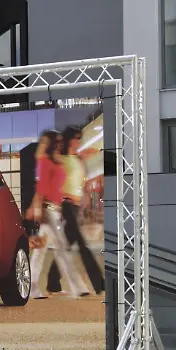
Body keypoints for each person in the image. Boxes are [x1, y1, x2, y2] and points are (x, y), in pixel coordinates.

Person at [26, 131, 90, 300]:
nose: (62, 143)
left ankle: (31, 287)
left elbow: (57, 188)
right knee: (61, 249)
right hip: (47, 210)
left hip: (54, 209)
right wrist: (38, 210)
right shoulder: (45, 162)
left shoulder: (58, 161)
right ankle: (77, 287)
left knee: (42, 251)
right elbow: (40, 188)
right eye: (59, 141)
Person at [46, 126, 105, 295]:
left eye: (79, 138)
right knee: (82, 243)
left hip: (76, 205)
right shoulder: (61, 159)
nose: (78, 141)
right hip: (66, 203)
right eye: (75, 138)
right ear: (68, 140)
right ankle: (98, 282)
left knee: (66, 243)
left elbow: (81, 179)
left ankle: (53, 281)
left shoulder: (77, 159)